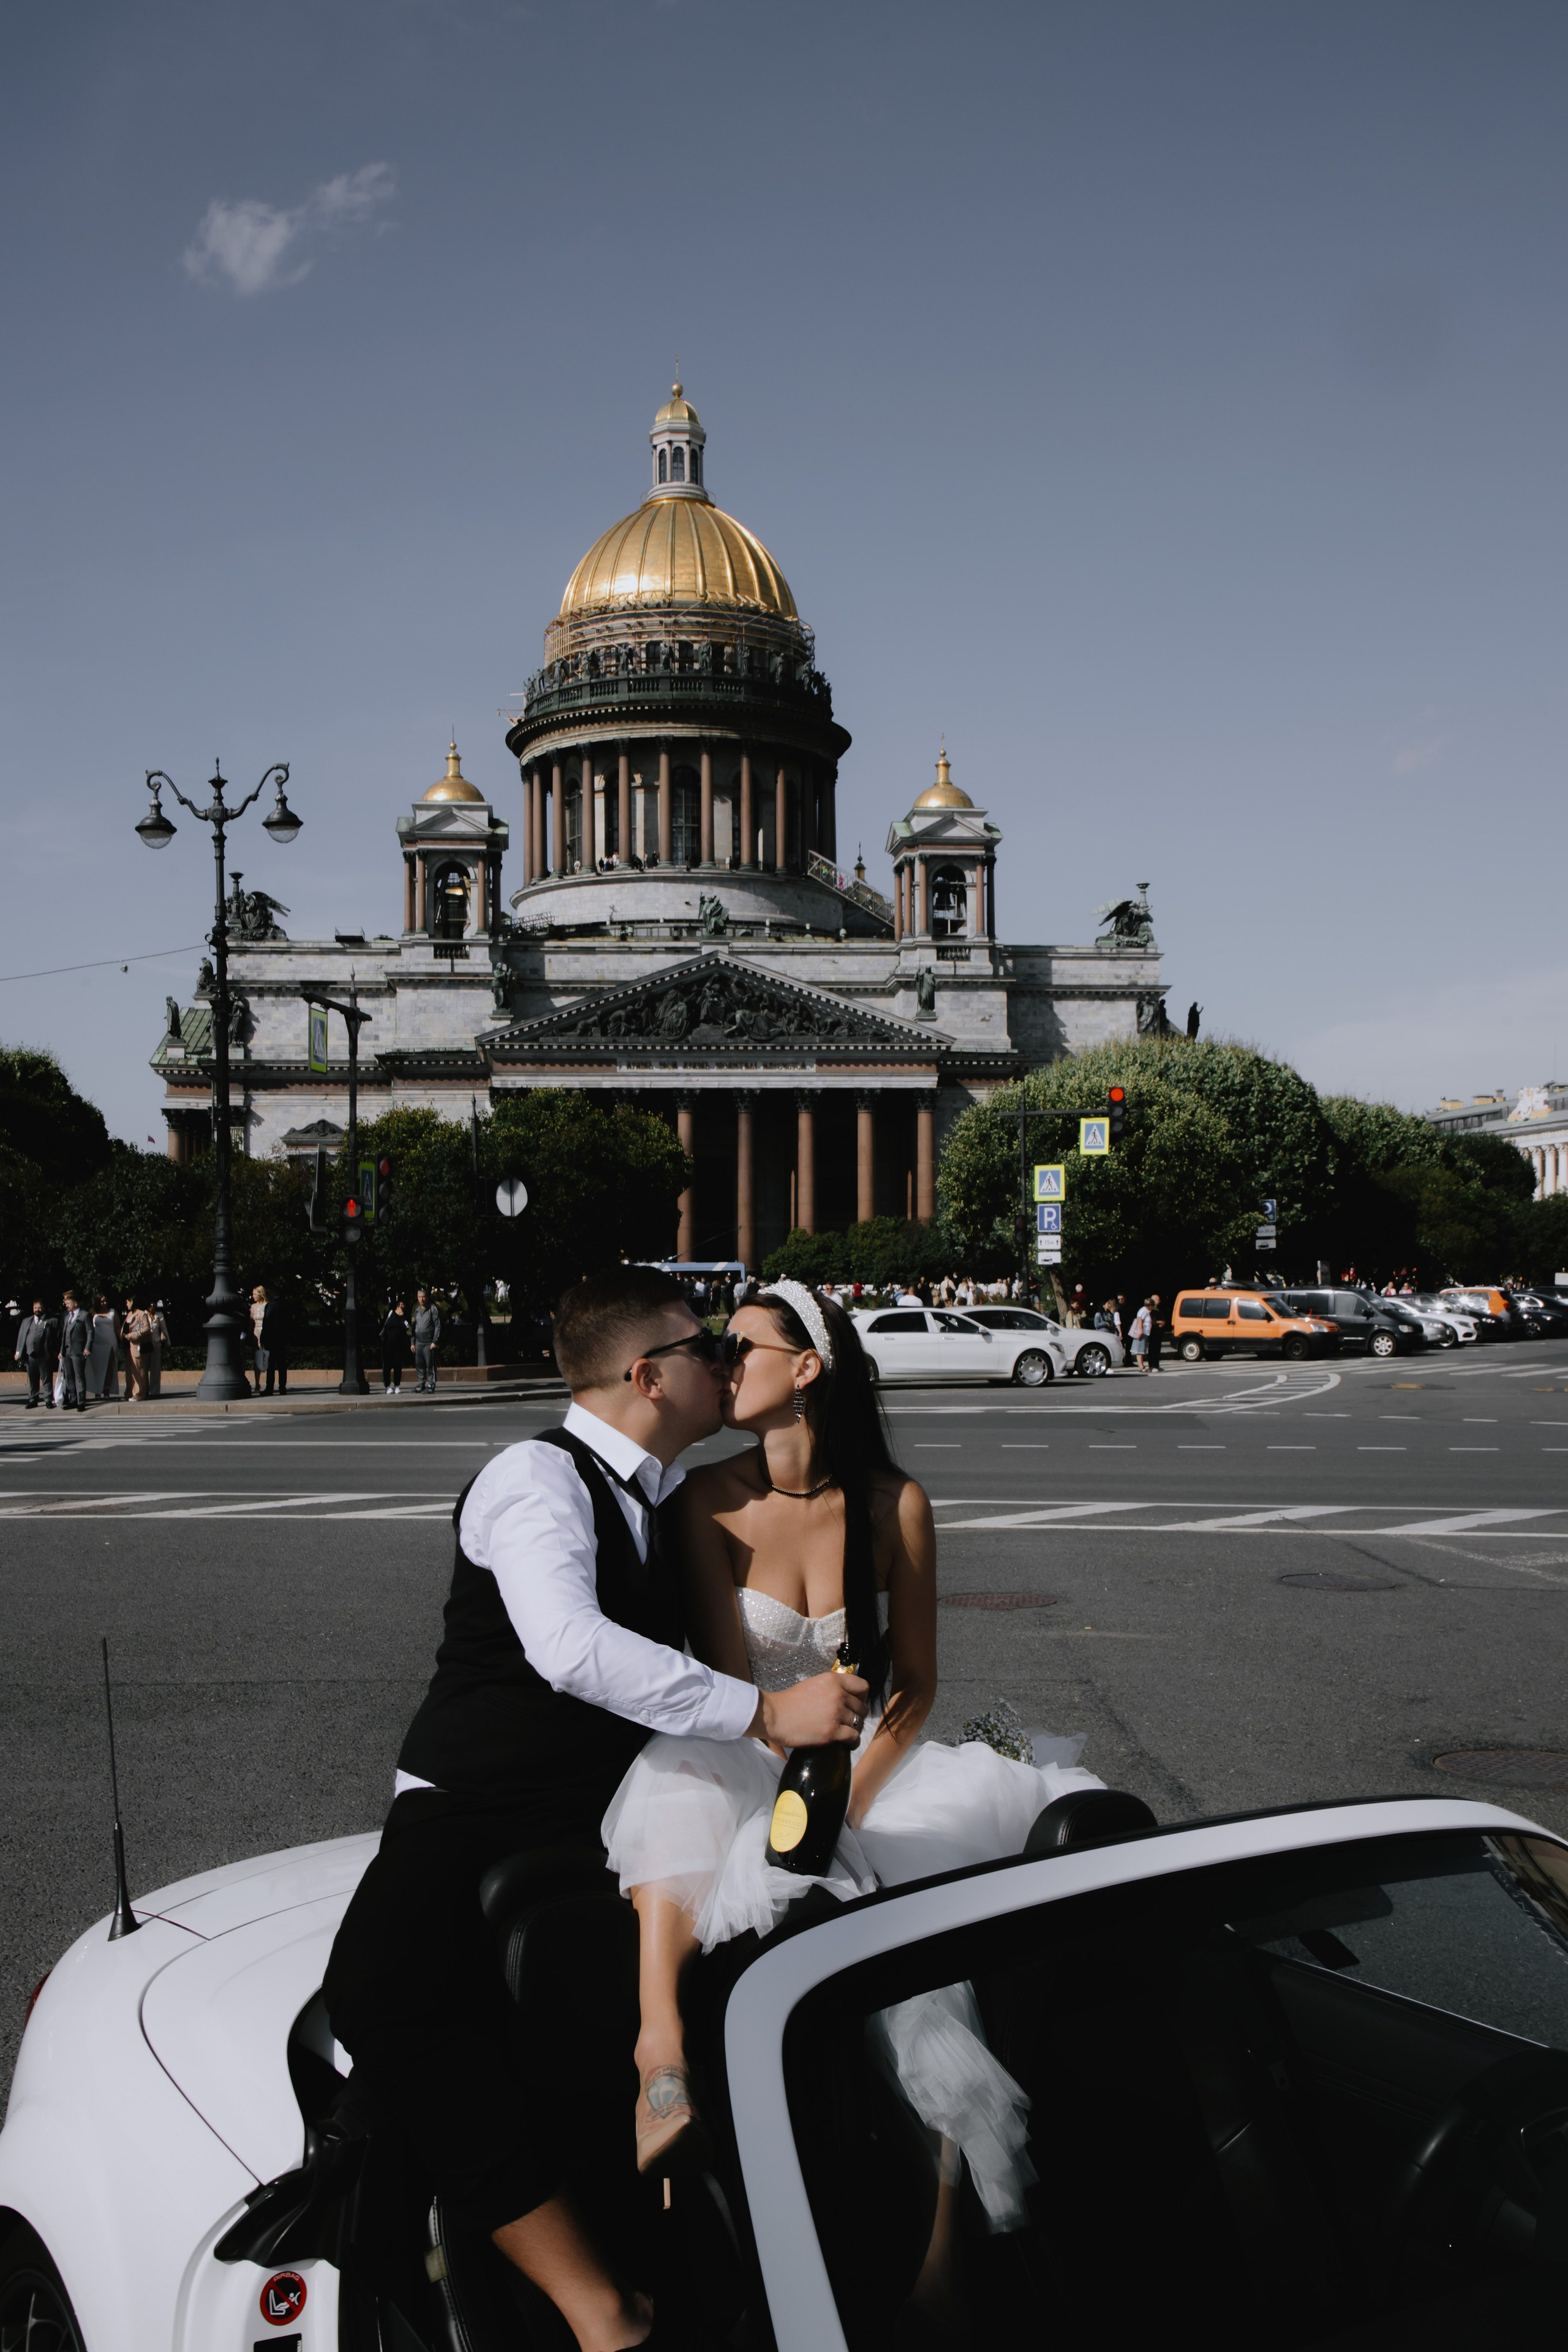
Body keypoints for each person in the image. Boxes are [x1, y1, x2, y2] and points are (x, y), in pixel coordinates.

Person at [323, 1268, 862, 2352]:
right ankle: (595, 2308)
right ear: (646, 1375)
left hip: (599, 1814)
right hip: (474, 1803)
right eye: (704, 1345)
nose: (722, 1361)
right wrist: (767, 1712)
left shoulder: (677, 1496)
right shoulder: (537, 1476)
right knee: (379, 1997)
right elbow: (567, 1647)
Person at [603, 1281, 1101, 2225]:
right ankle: (660, 2055)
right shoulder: (705, 1501)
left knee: (914, 1925)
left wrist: (855, 1800)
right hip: (751, 1743)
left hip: (872, 1759)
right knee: (675, 1778)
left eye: (740, 1346)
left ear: (806, 1369)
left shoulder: (892, 1504)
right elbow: (727, 1688)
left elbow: (915, 1684)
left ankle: (949, 2249)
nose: (719, 1362)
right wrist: (797, 1783)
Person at [14, 1300, 57, 1409]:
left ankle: (48, 1400)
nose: (37, 1310)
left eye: (39, 1308)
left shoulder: (51, 1321)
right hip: (30, 1355)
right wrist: (18, 1352)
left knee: (46, 1378)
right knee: (32, 1379)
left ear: (44, 1308)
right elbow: (21, 1336)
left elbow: (56, 1338)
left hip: (44, 1355)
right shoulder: (27, 1321)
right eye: (35, 1308)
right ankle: (33, 1400)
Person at [258, 1287, 290, 1396]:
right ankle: (282, 1388)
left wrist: (263, 1339)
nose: (268, 1295)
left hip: (271, 1339)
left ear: (274, 1293)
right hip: (282, 1338)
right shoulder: (286, 1305)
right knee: (282, 1364)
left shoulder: (270, 1306)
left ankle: (270, 1388)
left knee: (271, 1365)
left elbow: (266, 1323)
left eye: (269, 1293)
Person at [88, 1294, 119, 1398]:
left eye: (106, 1301)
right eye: (102, 1301)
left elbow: (118, 1328)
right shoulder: (93, 1313)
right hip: (97, 1341)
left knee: (109, 1365)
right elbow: (89, 1329)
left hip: (110, 1341)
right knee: (98, 1366)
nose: (105, 1303)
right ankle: (98, 1389)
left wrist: (123, 1340)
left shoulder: (113, 1312)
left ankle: (107, 1389)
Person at [412, 1289, 441, 1393]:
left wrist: (435, 1341)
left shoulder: (432, 1309)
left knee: (430, 1365)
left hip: (429, 1342)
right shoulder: (417, 1310)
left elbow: (438, 1326)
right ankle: (421, 1383)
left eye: (423, 1297)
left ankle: (432, 1384)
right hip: (419, 1342)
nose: (421, 1299)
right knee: (419, 1364)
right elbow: (414, 1327)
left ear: (427, 1297)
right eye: (419, 1297)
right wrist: (413, 1342)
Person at [380, 1299, 411, 1394]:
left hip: (399, 1345)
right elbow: (383, 1325)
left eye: (403, 1305)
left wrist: (402, 1317)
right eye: (400, 1304)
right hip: (388, 1344)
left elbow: (408, 1327)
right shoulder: (390, 1313)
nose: (402, 1306)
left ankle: (397, 1385)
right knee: (387, 1365)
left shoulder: (405, 1316)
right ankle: (387, 1386)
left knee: (398, 1365)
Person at [1128, 1297, 1153, 1371]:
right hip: (1143, 1332)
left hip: (1145, 1332)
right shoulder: (1144, 1311)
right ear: (1150, 1305)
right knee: (1140, 1350)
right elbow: (1140, 1320)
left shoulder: (1146, 1311)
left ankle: (1141, 1366)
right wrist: (1141, 1331)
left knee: (1142, 1350)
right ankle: (1141, 1367)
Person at [1146, 1292, 1164, 1371]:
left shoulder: (1158, 1309)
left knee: (1158, 1349)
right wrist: (1160, 1323)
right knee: (1153, 1349)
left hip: (1159, 1332)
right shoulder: (1152, 1310)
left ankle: (1157, 1365)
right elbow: (1151, 1321)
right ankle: (1152, 1365)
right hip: (1153, 1332)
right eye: (1158, 1299)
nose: (1160, 1301)